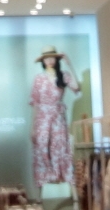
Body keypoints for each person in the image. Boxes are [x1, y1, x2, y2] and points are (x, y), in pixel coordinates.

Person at [30, 45, 81, 189]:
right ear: (43, 61)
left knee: (60, 147)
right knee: (42, 149)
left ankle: (65, 181)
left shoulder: (63, 75)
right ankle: (42, 186)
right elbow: (35, 103)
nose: (50, 60)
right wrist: (32, 128)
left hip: (58, 118)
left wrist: (69, 64)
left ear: (57, 59)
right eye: (46, 58)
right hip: (42, 119)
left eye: (52, 57)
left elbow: (76, 87)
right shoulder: (38, 79)